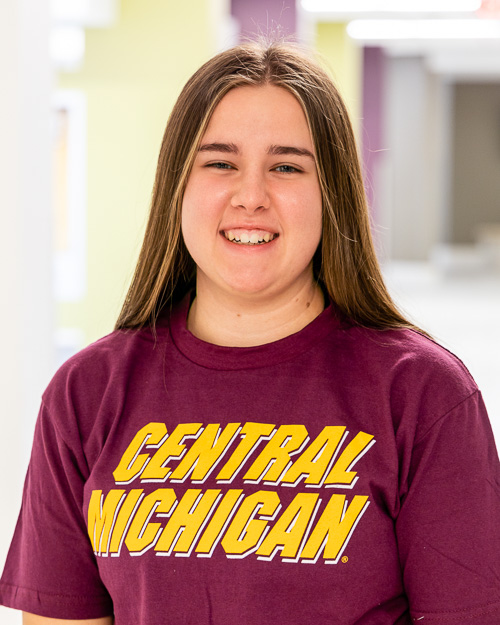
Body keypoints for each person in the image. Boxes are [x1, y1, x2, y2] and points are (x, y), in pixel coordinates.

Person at [1, 40, 499, 625]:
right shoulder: (87, 393)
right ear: (177, 187)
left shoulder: (420, 392)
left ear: (330, 193)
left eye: (287, 166)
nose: (252, 196)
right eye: (221, 162)